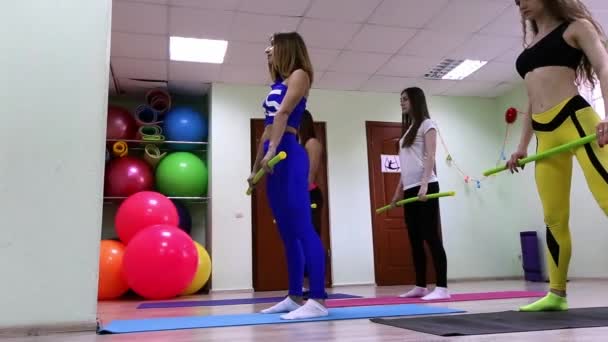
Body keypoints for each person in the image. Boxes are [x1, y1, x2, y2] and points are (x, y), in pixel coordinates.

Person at [508, 0, 608, 312]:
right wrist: (522, 146)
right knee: (553, 218)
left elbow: (604, 66)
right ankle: (556, 294)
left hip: (577, 122)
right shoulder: (531, 46)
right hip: (545, 135)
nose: (521, 4)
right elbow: (531, 99)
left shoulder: (577, 28)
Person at [247, 32, 328, 320]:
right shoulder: (277, 84)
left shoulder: (300, 75)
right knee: (287, 233)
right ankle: (294, 296)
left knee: (303, 228)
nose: (267, 49)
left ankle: (317, 299)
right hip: (274, 161)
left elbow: (282, 115)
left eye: (273, 44)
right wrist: (257, 165)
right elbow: (268, 128)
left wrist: (271, 154)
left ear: (286, 48)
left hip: (290, 157)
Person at [389, 87, 450, 301]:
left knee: (431, 236)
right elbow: (404, 167)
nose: (402, 103)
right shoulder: (408, 130)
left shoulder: (428, 124)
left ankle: (442, 287)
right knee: (414, 239)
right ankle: (420, 285)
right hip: (410, 189)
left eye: (405, 99)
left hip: (427, 186)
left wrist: (424, 184)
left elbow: (430, 156)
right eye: (401, 99)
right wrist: (398, 192)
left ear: (416, 100)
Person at [298, 109, 325, 298]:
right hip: (299, 196)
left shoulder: (312, 143)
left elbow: (311, 174)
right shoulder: (297, 144)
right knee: (299, 241)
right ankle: (302, 286)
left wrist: (299, 194)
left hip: (310, 195)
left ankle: (314, 285)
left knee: (311, 238)